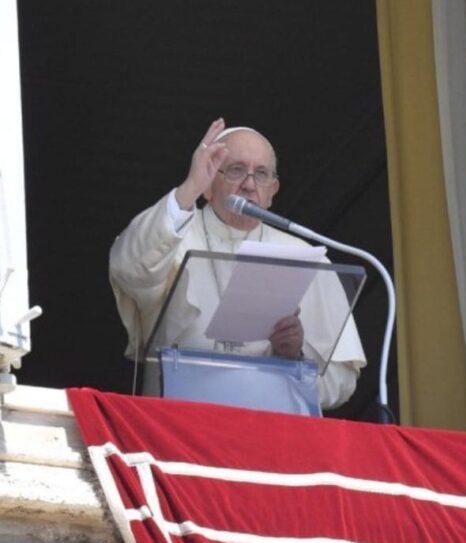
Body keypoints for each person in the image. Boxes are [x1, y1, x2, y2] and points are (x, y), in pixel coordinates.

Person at [110, 119, 365, 409]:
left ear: (273, 190)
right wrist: (189, 188)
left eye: (261, 174)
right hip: (176, 421)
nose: (249, 184)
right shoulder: (173, 235)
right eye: (236, 170)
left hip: (267, 432)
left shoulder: (306, 256)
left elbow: (341, 383)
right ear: (208, 185)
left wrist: (295, 358)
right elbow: (129, 268)